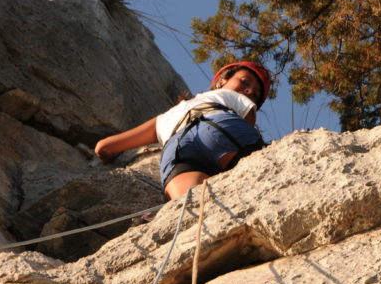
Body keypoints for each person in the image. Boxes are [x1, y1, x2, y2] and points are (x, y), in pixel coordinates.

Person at [95, 61, 271, 200]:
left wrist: (107, 154)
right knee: (255, 174)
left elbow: (104, 147)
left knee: (190, 205)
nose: (248, 90)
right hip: (219, 125)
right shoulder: (234, 98)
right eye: (244, 81)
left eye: (254, 94)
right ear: (222, 81)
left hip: (177, 147)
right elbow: (246, 128)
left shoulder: (166, 116)